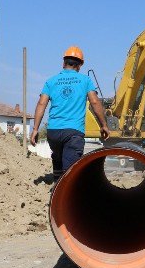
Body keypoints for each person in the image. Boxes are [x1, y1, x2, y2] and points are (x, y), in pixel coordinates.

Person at [30, 46, 110, 184]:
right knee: (70, 171)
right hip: (73, 132)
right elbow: (95, 102)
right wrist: (103, 125)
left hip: (53, 132)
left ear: (63, 63)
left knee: (58, 158)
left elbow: (41, 104)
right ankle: (64, 197)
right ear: (79, 65)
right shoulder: (85, 81)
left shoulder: (51, 81)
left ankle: (57, 187)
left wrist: (36, 129)